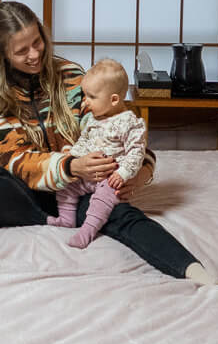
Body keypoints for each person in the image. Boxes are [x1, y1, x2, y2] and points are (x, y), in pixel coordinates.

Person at [0, 0, 217, 284]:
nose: (35, 54)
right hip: (26, 188)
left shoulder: (71, 76)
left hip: (79, 185)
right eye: (22, 51)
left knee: (121, 214)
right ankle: (50, 217)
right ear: (1, 53)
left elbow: (118, 131)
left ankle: (193, 270)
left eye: (38, 42)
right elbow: (13, 159)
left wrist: (140, 170)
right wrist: (71, 166)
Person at [47, 57, 147, 249]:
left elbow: (136, 152)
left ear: (114, 100)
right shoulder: (94, 119)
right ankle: (66, 219)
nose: (85, 102)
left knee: (102, 199)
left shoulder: (129, 122)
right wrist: (74, 158)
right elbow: (84, 141)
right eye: (85, 96)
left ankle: (88, 230)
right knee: (65, 184)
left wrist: (123, 173)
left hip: (110, 177)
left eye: (91, 97)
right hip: (88, 173)